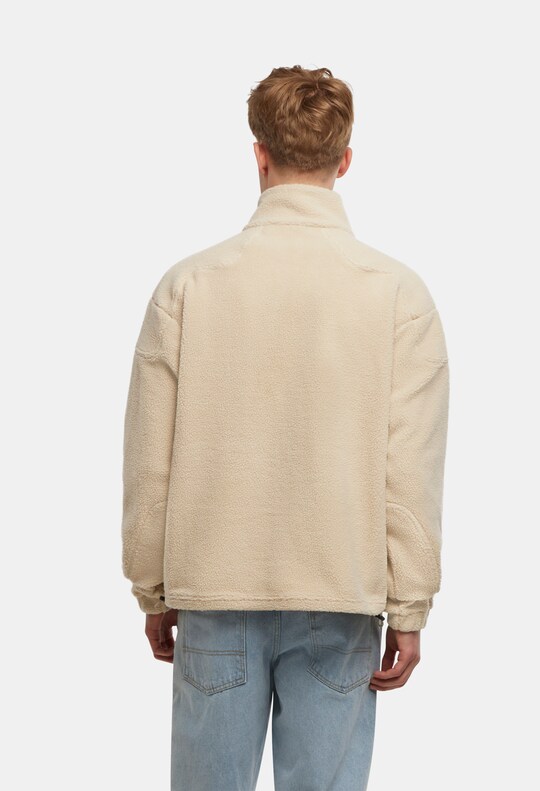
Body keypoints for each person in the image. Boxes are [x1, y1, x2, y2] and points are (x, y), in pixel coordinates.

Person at [121, 64, 450, 791]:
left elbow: (150, 461)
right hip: (342, 595)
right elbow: (410, 467)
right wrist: (411, 602)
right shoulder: (398, 295)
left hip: (215, 593)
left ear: (259, 155)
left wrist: (152, 587)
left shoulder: (189, 286)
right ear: (346, 161)